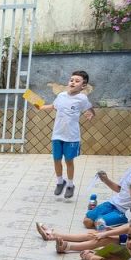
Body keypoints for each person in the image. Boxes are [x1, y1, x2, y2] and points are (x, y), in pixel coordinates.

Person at [39, 70, 94, 198]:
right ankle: (60, 182)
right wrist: (40, 106)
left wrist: (90, 114)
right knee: (56, 159)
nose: (73, 82)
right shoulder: (61, 95)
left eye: (77, 81)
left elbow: (89, 109)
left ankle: (70, 185)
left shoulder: (82, 98)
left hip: (72, 137)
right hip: (57, 134)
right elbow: (53, 106)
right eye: (71, 80)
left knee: (69, 161)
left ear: (83, 85)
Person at [83, 141, 131, 228]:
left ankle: (112, 219)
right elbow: (119, 189)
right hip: (112, 203)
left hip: (124, 211)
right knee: (87, 221)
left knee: (98, 224)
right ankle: (101, 215)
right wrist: (105, 180)